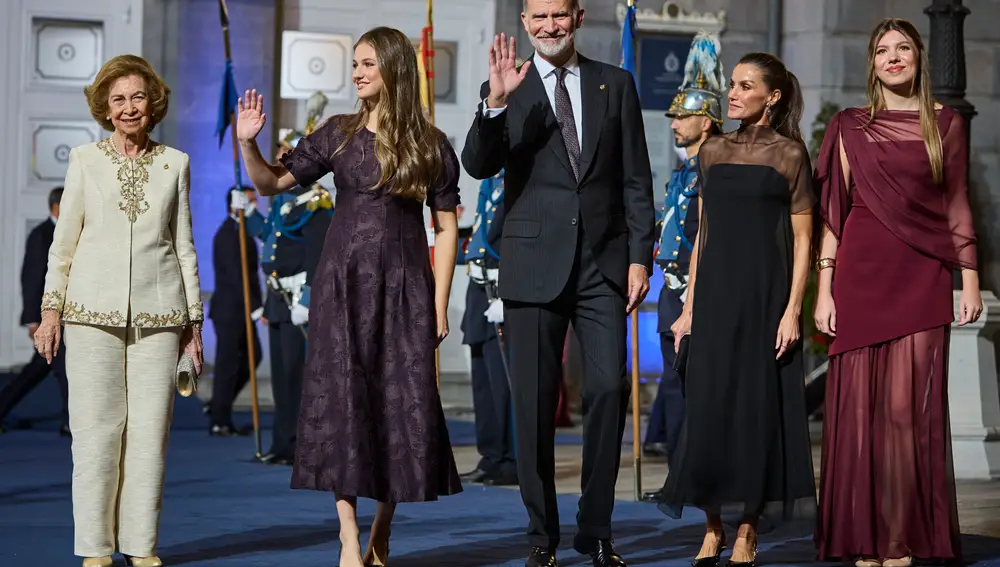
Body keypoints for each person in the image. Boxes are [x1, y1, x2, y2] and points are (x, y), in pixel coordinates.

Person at [235, 26, 463, 567]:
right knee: (345, 407)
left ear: (394, 69)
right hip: (341, 288)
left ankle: (382, 530)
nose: (357, 72)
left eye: (367, 63)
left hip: (406, 290)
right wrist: (248, 141)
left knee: (402, 410)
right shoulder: (336, 134)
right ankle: (347, 537)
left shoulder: (430, 144)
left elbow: (448, 228)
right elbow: (269, 184)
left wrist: (437, 304)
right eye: (355, 64)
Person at [461, 0, 657, 562]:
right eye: (538, 17)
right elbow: (478, 164)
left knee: (606, 391)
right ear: (524, 23)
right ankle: (541, 534)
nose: (549, 26)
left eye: (559, 15)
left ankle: (596, 530)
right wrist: (494, 104)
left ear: (578, 17)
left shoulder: (614, 84)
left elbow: (636, 179)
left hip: (604, 266)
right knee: (534, 404)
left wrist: (639, 256)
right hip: (530, 266)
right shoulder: (508, 86)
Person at [813, 18, 980, 567]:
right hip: (860, 275)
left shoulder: (944, 123)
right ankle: (867, 538)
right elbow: (833, 213)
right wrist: (824, 288)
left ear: (918, 57)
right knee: (859, 415)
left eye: (903, 48)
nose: (893, 57)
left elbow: (957, 203)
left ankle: (899, 539)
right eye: (882, 50)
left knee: (908, 414)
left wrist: (968, 277)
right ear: (871, 63)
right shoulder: (849, 125)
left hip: (922, 275)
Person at [31, 54, 203, 567]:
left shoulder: (176, 163)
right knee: (95, 435)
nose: (130, 107)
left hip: (159, 320)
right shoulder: (85, 160)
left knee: (150, 437)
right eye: (119, 99)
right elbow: (64, 245)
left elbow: (184, 246)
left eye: (139, 97)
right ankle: (94, 549)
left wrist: (193, 324)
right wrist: (50, 312)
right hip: (89, 316)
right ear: (105, 107)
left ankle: (141, 545)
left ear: (154, 104)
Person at [656, 52, 817, 567]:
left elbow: (803, 237)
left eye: (745, 85)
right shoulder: (714, 151)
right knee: (708, 412)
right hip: (715, 300)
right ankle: (712, 527)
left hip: (764, 298)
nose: (733, 91)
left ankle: (748, 528)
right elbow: (703, 235)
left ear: (771, 97)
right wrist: (687, 307)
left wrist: (793, 310)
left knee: (754, 413)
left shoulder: (790, 154)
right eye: (732, 83)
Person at [640, 32, 723, 475]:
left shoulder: (713, 166)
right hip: (671, 288)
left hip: (698, 290)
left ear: (706, 120)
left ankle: (693, 474)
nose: (673, 123)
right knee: (673, 383)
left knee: (690, 386)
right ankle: (677, 475)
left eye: (682, 116)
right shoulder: (683, 170)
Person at [232, 113, 332, 465]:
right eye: (280, 153)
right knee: (280, 378)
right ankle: (283, 442)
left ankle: (303, 444)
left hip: (298, 300)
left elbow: (318, 255)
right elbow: (272, 240)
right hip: (278, 298)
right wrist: (248, 214)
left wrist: (307, 299)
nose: (280, 160)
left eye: (287, 153)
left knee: (299, 377)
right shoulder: (283, 199)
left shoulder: (316, 201)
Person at [457, 169, 518, 487]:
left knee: (504, 384)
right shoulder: (490, 183)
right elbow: (482, 238)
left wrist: (509, 293)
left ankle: (512, 460)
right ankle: (491, 455)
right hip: (480, 292)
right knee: (483, 381)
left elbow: (525, 244)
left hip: (502, 293)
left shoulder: (521, 179)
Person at [0, 187, 70, 437]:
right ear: (56, 207)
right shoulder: (42, 235)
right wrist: (33, 320)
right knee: (64, 370)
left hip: (66, 317)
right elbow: (31, 280)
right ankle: (70, 421)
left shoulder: (71, 234)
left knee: (37, 371)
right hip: (48, 319)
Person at [207, 185, 263, 437]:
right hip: (231, 310)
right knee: (228, 365)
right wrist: (255, 307)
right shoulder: (228, 234)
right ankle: (220, 419)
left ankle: (220, 404)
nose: (255, 205)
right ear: (236, 204)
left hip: (243, 308)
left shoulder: (244, 231)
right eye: (250, 201)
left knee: (254, 357)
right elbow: (237, 276)